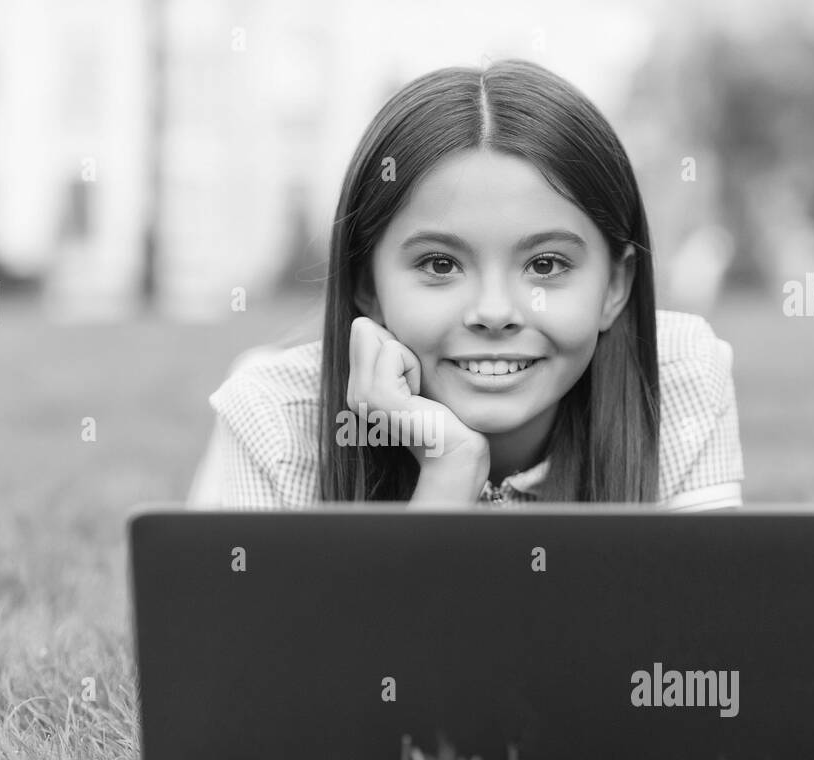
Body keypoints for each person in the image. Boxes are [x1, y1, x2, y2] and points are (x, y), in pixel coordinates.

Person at [192, 59, 743, 511]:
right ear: (368, 285)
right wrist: (448, 472)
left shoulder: (678, 378)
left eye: (546, 266)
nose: (495, 311)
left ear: (615, 287)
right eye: (439, 264)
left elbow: (711, 631)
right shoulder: (276, 420)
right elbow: (304, 649)